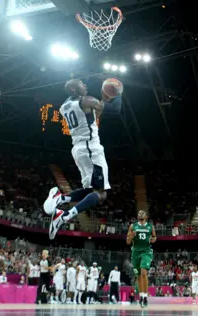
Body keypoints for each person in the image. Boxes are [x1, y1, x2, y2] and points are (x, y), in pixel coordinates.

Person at [44, 79, 122, 240]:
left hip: (79, 149)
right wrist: (119, 92)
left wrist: (103, 99)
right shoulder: (86, 100)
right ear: (73, 89)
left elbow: (93, 117)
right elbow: (115, 110)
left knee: (90, 191)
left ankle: (61, 198)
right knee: (100, 193)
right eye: (80, 83)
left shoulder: (64, 106)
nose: (85, 85)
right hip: (91, 149)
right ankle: (64, 216)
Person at [126, 210, 157, 308]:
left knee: (144, 273)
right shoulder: (132, 226)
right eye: (139, 213)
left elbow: (154, 237)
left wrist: (153, 239)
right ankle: (141, 296)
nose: (141, 214)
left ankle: (145, 297)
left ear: (146, 216)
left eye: (143, 213)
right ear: (137, 216)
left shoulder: (150, 226)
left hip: (146, 252)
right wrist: (131, 235)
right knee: (138, 276)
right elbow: (127, 241)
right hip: (135, 252)